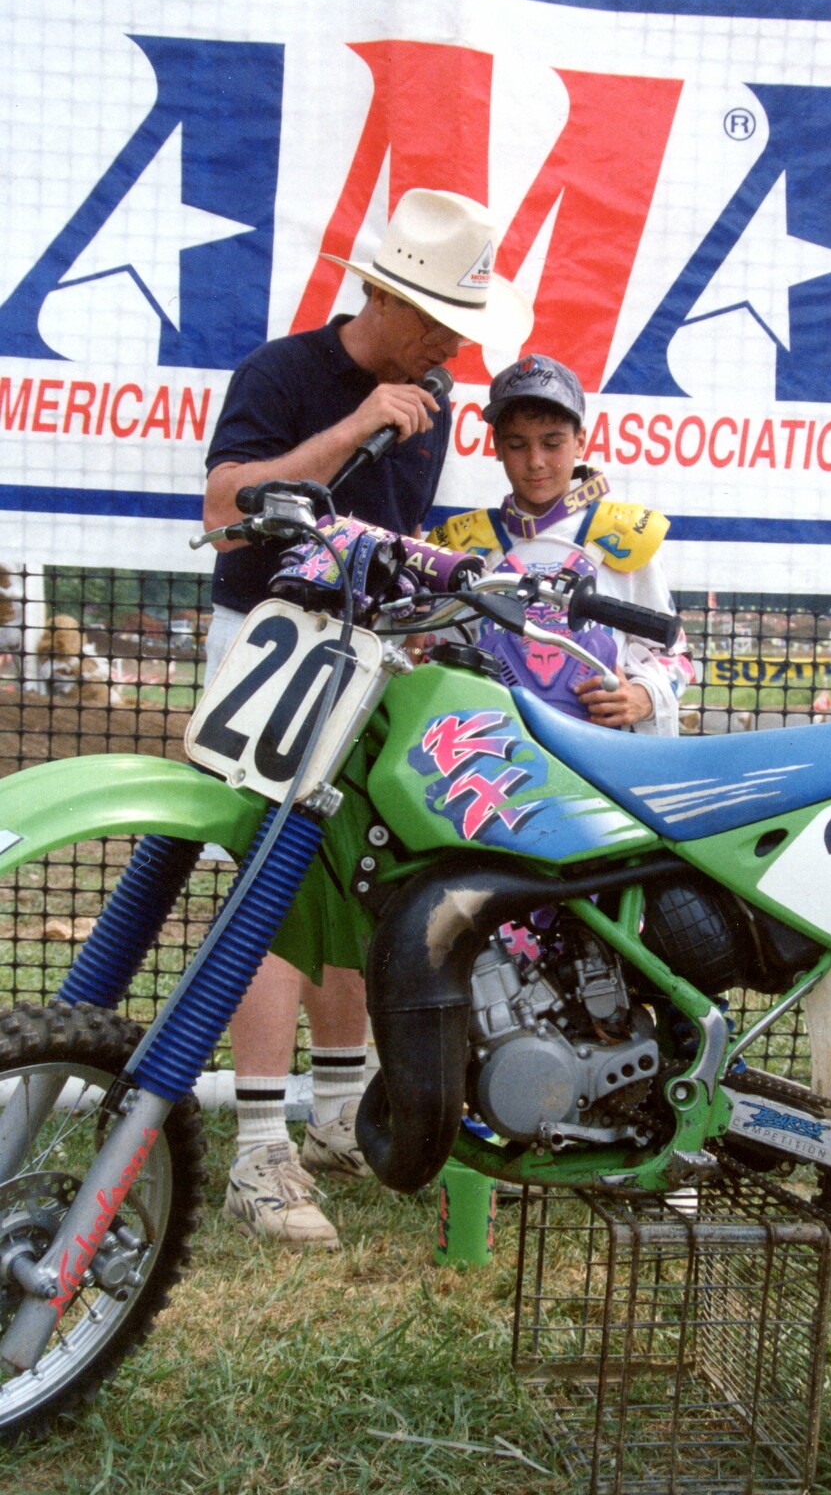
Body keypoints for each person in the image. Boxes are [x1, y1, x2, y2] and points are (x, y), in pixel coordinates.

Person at [201, 189, 533, 1247]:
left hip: (366, 665)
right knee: (266, 892)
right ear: (381, 292)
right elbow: (223, 512)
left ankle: (339, 1106)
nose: (448, 344)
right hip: (269, 652)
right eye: (435, 316)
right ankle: (257, 1145)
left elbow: (380, 539)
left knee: (357, 881)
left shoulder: (427, 396)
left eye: (458, 326)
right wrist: (351, 426)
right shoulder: (285, 375)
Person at [428, 353, 690, 735]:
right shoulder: (462, 546)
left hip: (599, 755)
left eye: (552, 443)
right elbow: (432, 654)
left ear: (580, 440)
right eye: (518, 445)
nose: (535, 461)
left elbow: (677, 656)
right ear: (496, 446)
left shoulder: (625, 536)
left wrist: (643, 696)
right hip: (493, 750)